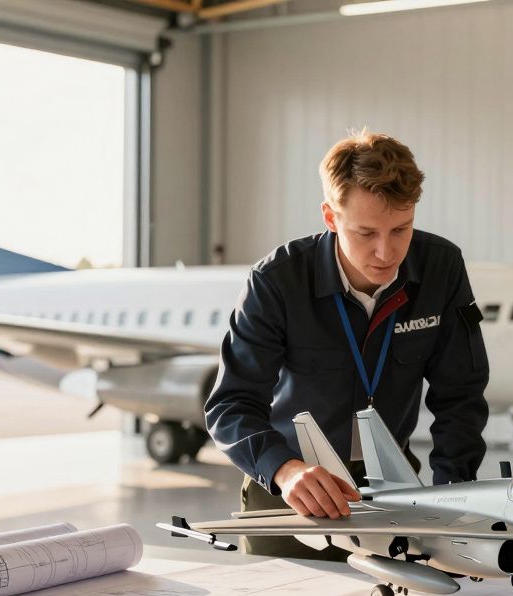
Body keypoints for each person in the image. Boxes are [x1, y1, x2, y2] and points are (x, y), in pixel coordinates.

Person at [205, 130, 490, 560]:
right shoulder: (276, 281)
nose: (386, 252)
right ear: (330, 217)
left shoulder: (441, 268)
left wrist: (451, 498)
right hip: (289, 494)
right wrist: (285, 470)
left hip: (396, 495)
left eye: (401, 229)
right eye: (365, 233)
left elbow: (461, 398)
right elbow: (230, 405)